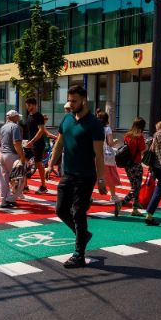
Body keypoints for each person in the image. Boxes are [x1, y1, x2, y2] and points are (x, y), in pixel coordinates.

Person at [48, 85, 107, 269]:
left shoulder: (94, 124)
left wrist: (102, 180)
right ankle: (83, 235)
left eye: (74, 101)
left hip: (86, 176)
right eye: (69, 100)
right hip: (68, 174)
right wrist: (51, 163)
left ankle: (78, 254)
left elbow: (99, 155)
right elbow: (59, 143)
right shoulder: (66, 119)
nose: (70, 104)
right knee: (60, 209)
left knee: (78, 212)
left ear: (84, 100)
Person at [0, 110, 28, 208]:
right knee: (21, 179)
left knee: (4, 179)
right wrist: (22, 157)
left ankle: (3, 201)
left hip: (2, 155)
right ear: (13, 117)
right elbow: (16, 143)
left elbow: (1, 142)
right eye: (17, 116)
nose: (19, 118)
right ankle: (10, 199)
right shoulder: (15, 127)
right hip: (12, 155)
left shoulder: (3, 127)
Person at [96, 111, 122, 216]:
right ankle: (114, 196)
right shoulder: (108, 129)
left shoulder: (95, 128)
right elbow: (110, 143)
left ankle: (88, 197)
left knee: (95, 174)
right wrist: (117, 141)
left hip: (97, 153)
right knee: (110, 175)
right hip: (107, 155)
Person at [121, 117, 147, 216]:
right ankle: (122, 202)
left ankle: (135, 209)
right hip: (136, 164)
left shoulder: (127, 135)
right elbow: (143, 150)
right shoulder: (139, 136)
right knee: (136, 188)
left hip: (127, 164)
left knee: (134, 186)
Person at [23, 98, 49, 194]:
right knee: (24, 162)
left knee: (38, 164)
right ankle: (25, 186)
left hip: (38, 144)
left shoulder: (39, 116)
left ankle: (43, 186)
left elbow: (41, 130)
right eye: (27, 106)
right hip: (29, 143)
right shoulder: (29, 115)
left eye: (29, 105)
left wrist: (32, 141)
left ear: (34, 105)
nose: (27, 107)